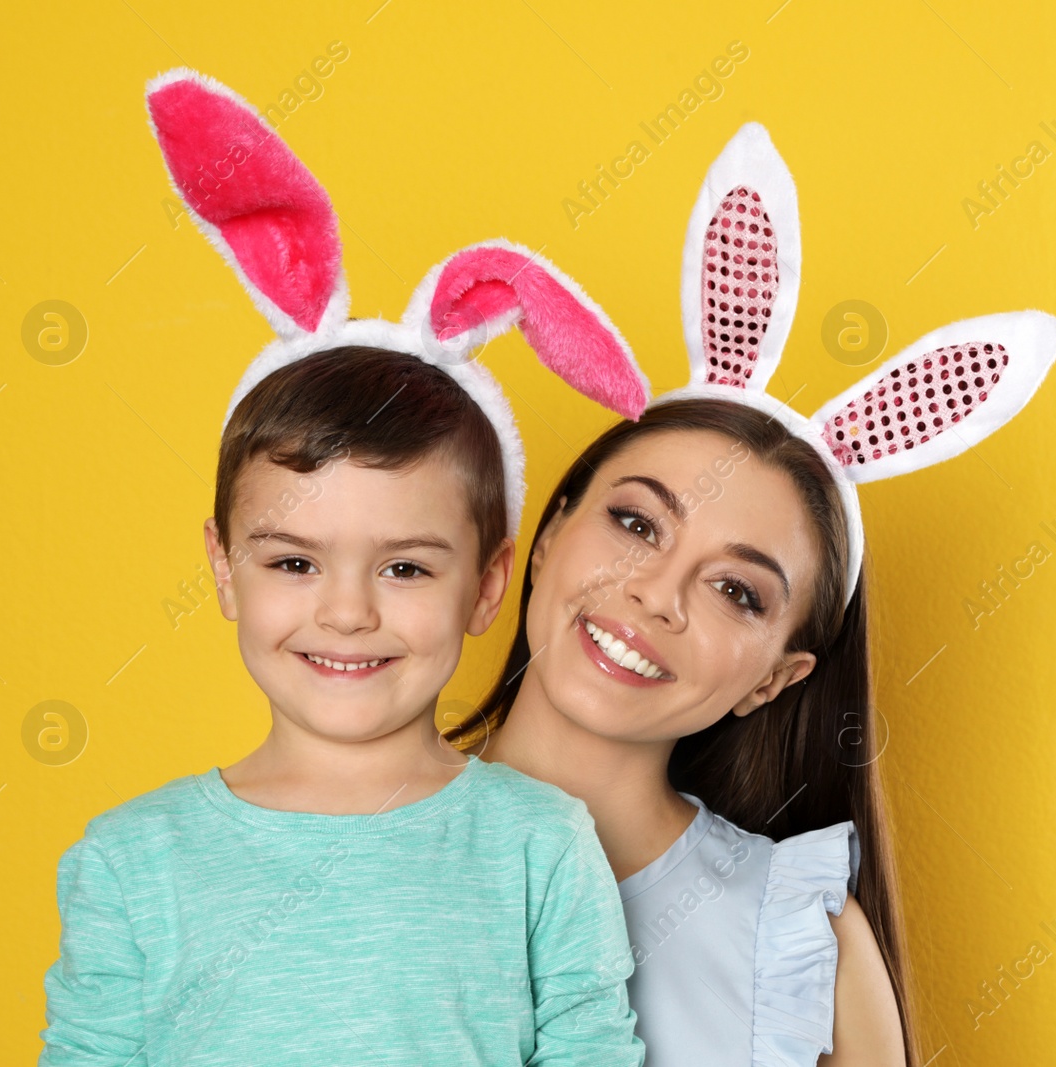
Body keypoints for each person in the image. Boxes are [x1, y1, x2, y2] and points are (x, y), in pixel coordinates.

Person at [37, 67, 653, 1066]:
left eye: (406, 568)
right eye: (293, 560)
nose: (347, 610)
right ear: (224, 565)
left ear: (488, 585)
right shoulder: (129, 860)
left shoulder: (540, 845)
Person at [449, 123, 1056, 1066]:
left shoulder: (800, 941)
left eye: (737, 590)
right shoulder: (324, 831)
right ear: (550, 535)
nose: (658, 593)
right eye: (636, 523)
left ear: (776, 678)